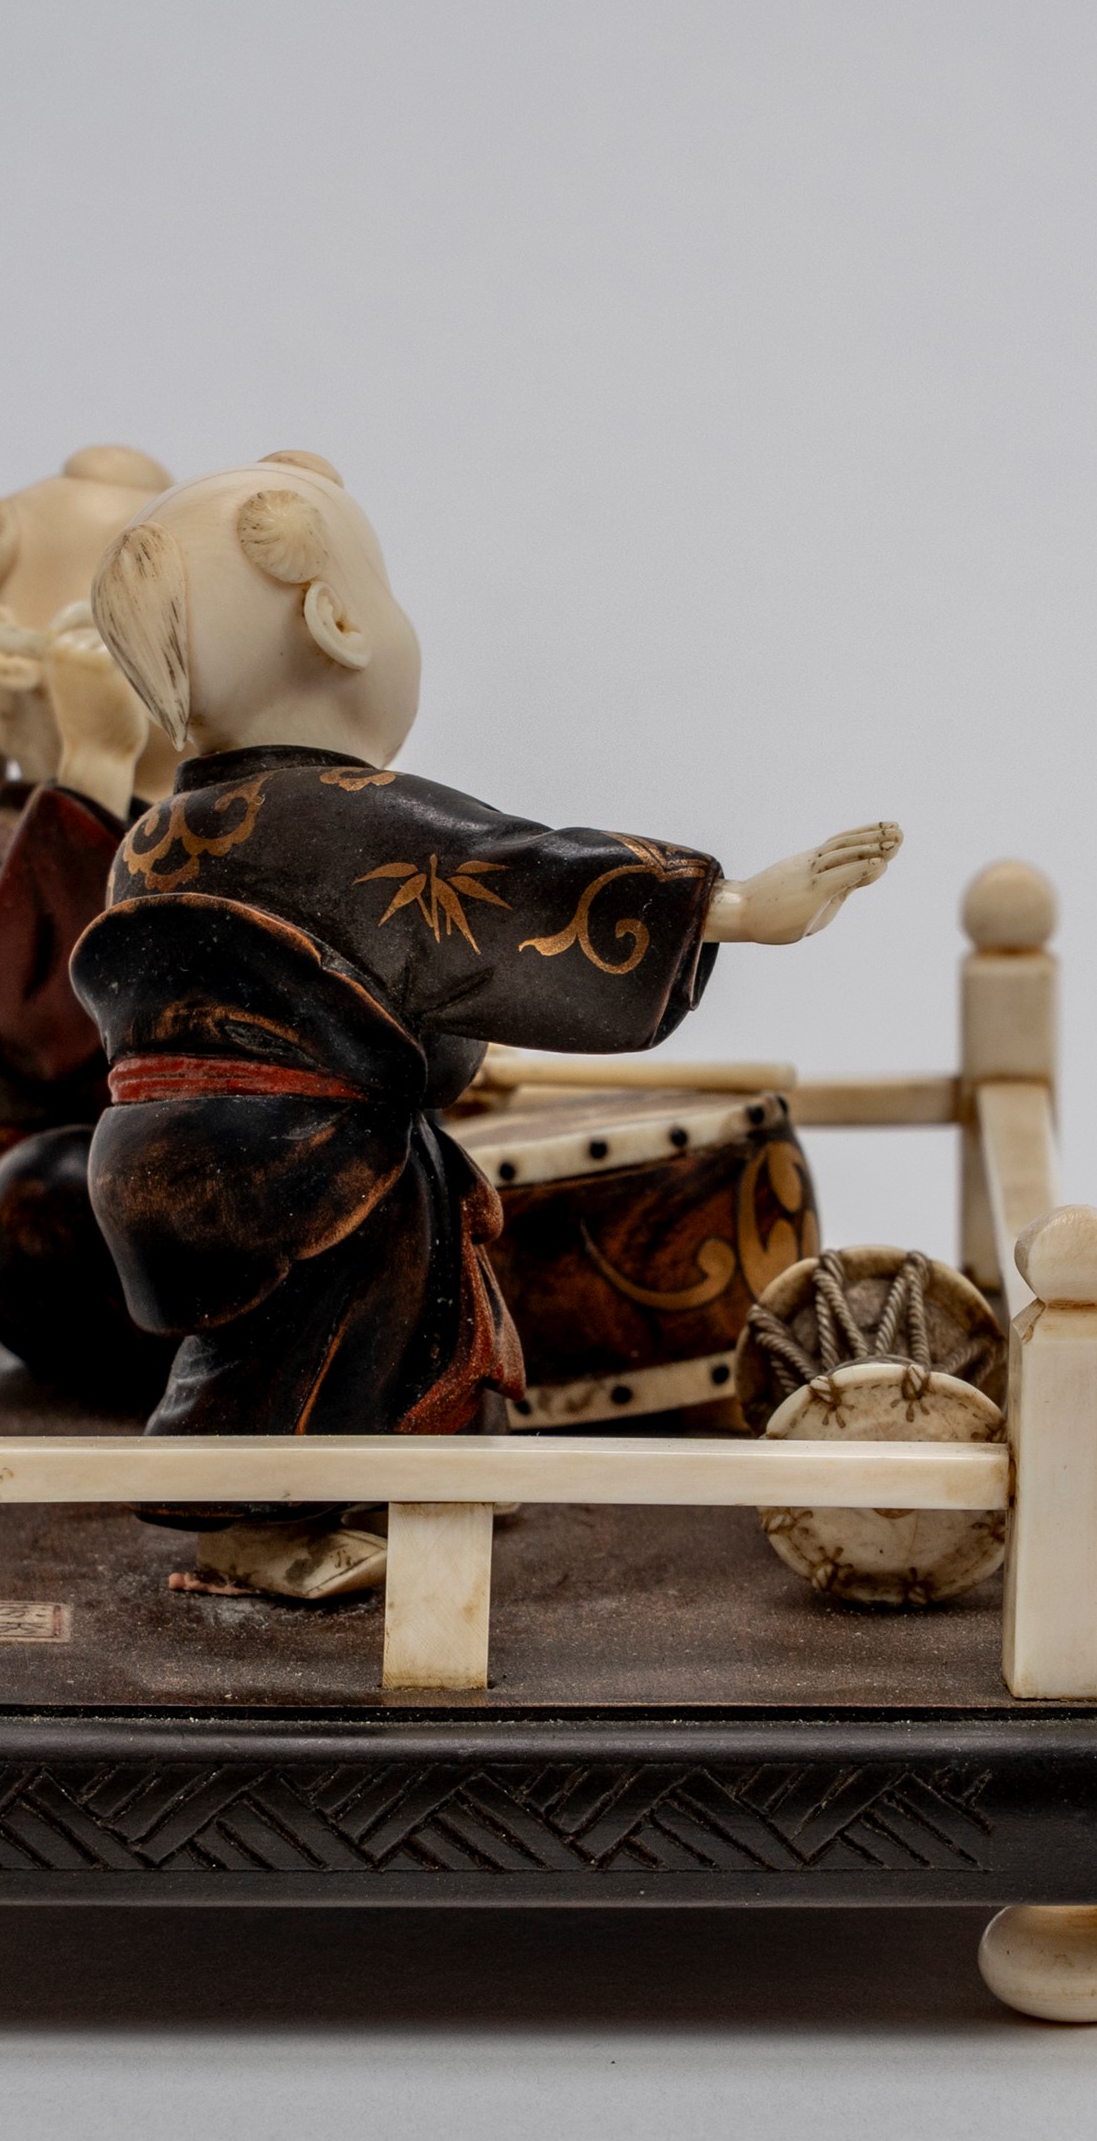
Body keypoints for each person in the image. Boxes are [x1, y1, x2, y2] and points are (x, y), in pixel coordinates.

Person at [70, 453, 899, 1596]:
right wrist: (739, 908)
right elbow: (513, 879)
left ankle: (418, 1479)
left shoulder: (154, 836)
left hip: (174, 1155)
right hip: (305, 1162)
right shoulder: (346, 818)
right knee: (308, 1339)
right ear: (340, 620)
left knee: (363, 1321)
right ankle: (254, 1533)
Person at [0, 446, 185, 1410]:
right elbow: (61, 1016)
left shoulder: (215, 824)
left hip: (233, 1166)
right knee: (62, 1194)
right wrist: (94, 762)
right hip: (79, 1203)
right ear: (9, 652)